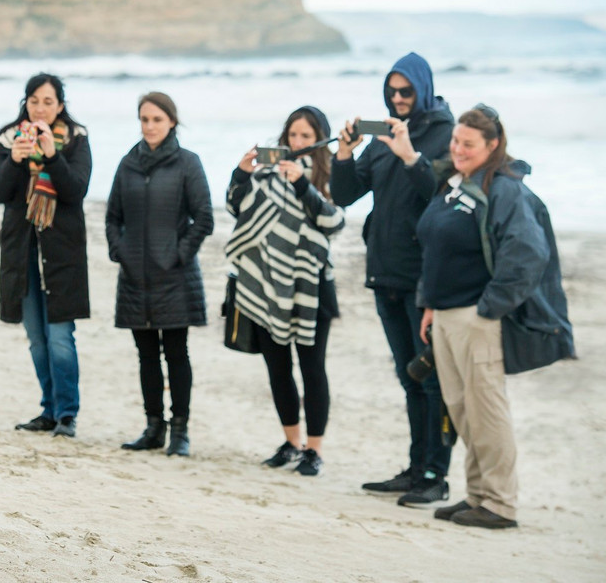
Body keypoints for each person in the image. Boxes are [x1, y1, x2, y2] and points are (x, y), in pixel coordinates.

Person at [417, 104, 574, 529]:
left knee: (486, 411)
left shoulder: (504, 189)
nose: (458, 149)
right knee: (462, 410)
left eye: (468, 144)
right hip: (446, 314)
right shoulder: (454, 181)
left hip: (478, 318)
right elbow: (435, 248)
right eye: (455, 141)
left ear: (493, 145)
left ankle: (500, 504)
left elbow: (527, 255)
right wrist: (429, 303)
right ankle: (476, 495)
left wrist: (488, 310)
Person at [331, 52, 455, 505]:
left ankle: (435, 475)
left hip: (425, 276)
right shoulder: (382, 135)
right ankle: (414, 467)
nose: (398, 99)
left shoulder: (446, 135)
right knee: (409, 377)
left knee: (433, 379)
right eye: (391, 92)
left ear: (423, 88)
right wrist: (343, 154)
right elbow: (344, 194)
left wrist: (410, 156)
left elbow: (443, 195)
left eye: (406, 91)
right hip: (384, 273)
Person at [225, 106, 345, 476]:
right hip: (266, 285)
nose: (298, 143)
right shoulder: (265, 175)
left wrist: (301, 184)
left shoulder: (330, 176)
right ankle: (291, 443)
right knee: (278, 369)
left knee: (312, 369)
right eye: (292, 135)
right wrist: (242, 173)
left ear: (319, 138)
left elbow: (333, 221)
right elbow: (236, 207)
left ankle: (314, 449)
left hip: (312, 289)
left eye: (306, 136)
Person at [106, 92, 213, 457]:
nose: (149, 126)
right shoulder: (127, 164)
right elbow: (112, 218)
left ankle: (179, 432)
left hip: (175, 277)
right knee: (146, 355)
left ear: (171, 121)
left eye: (156, 119)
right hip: (135, 276)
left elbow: (204, 218)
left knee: (176, 353)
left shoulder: (188, 163)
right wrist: (121, 252)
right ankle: (153, 428)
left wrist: (179, 255)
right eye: (144, 119)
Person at [0, 73, 92, 438]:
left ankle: (67, 414)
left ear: (60, 105)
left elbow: (76, 191)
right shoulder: (8, 138)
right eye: (35, 101)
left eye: (49, 102)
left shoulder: (76, 140)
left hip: (62, 253)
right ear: (26, 103)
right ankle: (47, 409)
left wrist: (52, 155)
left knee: (61, 335)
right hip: (22, 252)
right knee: (37, 337)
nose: (41, 108)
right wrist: (14, 160)